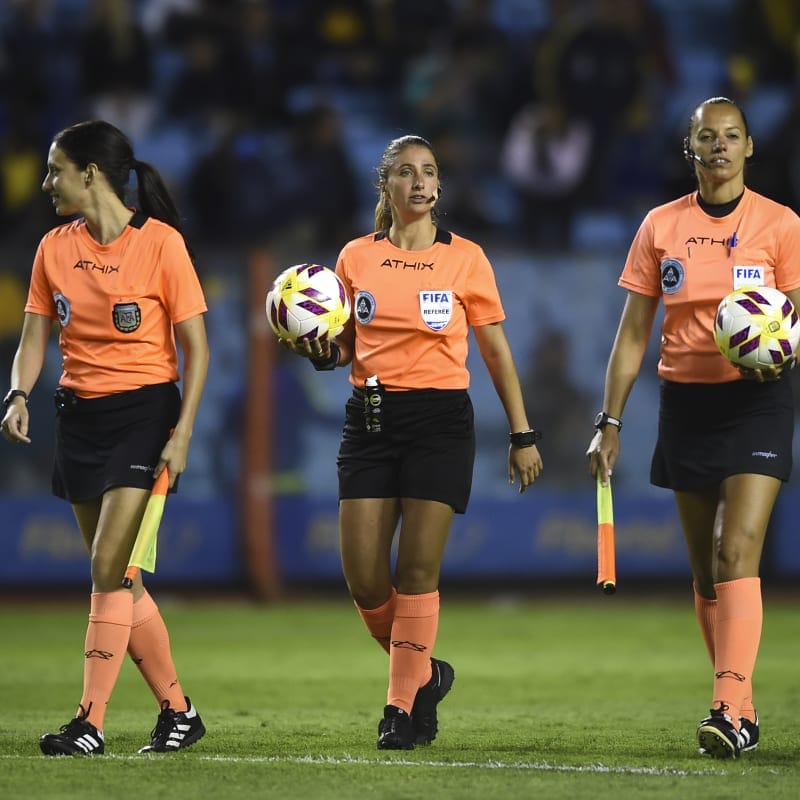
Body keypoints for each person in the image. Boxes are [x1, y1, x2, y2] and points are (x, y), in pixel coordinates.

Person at [284, 134, 543, 750]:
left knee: (417, 569)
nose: (420, 182)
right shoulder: (354, 258)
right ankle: (426, 674)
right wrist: (319, 351)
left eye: (429, 172)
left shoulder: (468, 260)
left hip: (441, 422)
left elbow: (496, 351)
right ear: (386, 187)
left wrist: (522, 431)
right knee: (366, 581)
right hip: (370, 422)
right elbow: (345, 347)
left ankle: (399, 708)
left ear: (438, 187)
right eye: (406, 172)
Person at [587, 96, 800, 759]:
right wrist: (610, 420)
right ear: (691, 148)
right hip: (685, 402)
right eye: (708, 136)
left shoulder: (782, 225)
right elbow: (632, 337)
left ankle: (724, 710)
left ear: (749, 148)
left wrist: (776, 350)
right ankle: (743, 707)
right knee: (709, 574)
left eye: (732, 136)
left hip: (758, 399)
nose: (720, 146)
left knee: (736, 551)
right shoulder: (660, 226)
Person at [0, 120, 210, 756]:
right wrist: (16, 393)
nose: (46, 183)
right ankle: (180, 713)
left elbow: (197, 349)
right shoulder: (52, 248)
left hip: (146, 416)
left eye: (55, 169)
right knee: (123, 580)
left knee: (106, 568)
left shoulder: (163, 245)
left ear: (89, 173)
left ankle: (88, 722)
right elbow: (35, 334)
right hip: (80, 419)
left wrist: (183, 432)